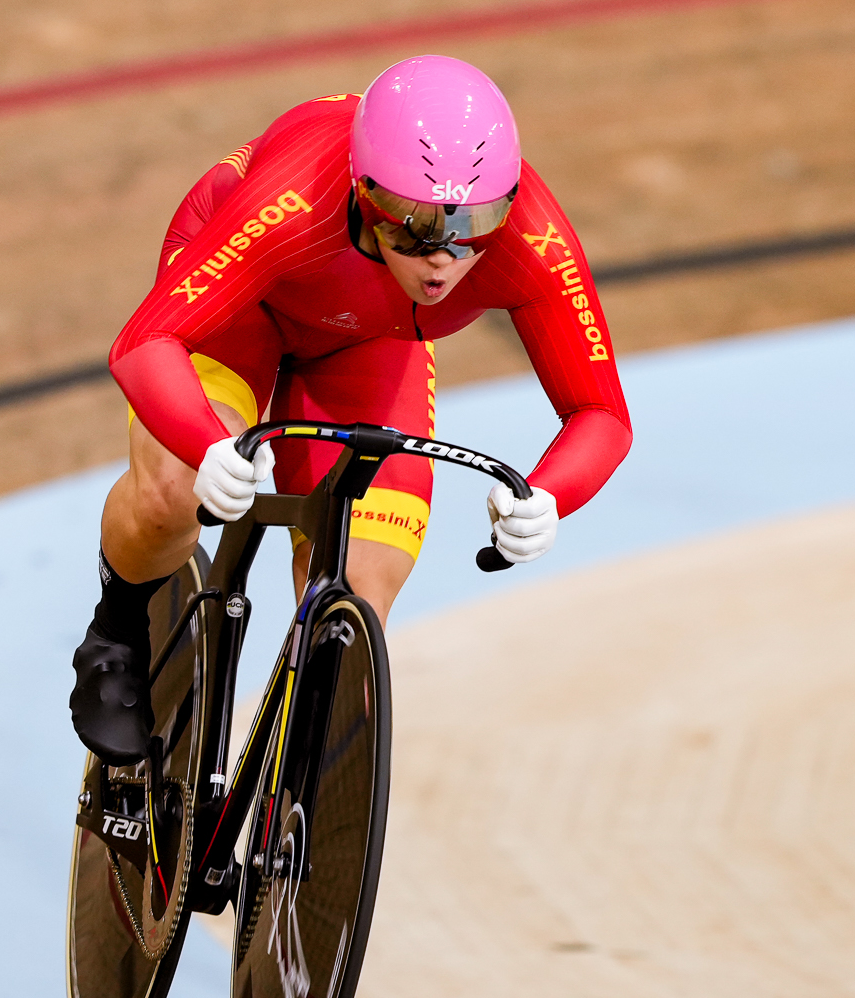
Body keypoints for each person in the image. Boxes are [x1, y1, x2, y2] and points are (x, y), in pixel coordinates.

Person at [70, 54, 632, 764]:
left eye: (475, 228)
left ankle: (284, 807)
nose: (443, 258)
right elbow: (145, 342)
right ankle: (116, 629)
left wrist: (552, 496)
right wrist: (207, 442)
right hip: (241, 301)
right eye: (414, 228)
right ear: (365, 196)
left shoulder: (532, 239)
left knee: (356, 602)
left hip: (367, 338)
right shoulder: (294, 201)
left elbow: (601, 412)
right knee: (174, 490)